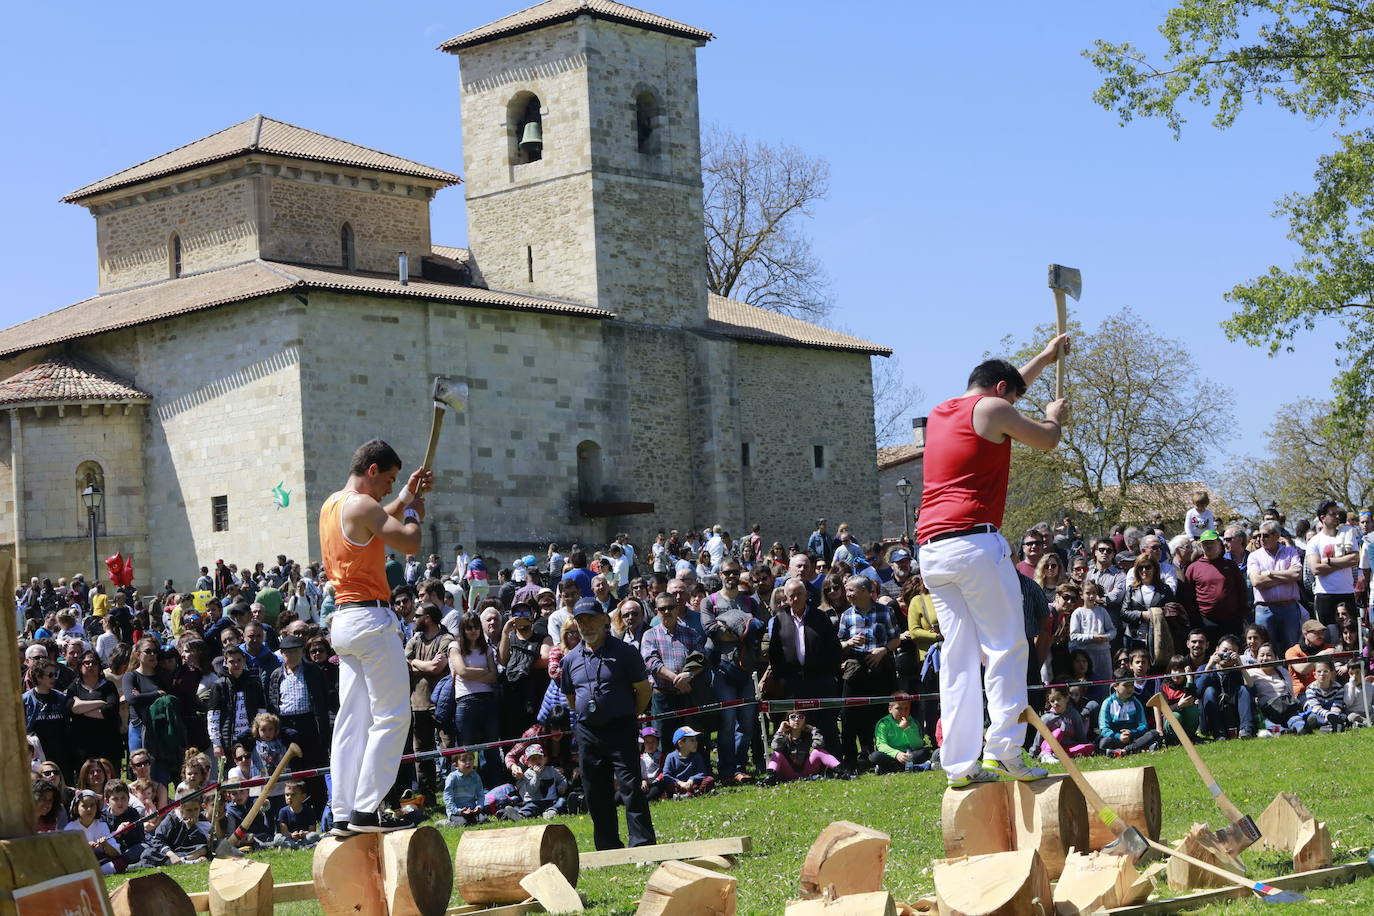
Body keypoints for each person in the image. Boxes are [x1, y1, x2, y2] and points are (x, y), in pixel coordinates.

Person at [917, 338, 1069, 787]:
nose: (1013, 409)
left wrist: (1044, 356)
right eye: (1013, 399)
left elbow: (1007, 391)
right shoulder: (992, 408)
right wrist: (1053, 418)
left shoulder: (945, 411)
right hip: (973, 544)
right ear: (999, 389)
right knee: (1007, 646)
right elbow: (1046, 441)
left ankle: (959, 765)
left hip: (933, 551)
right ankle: (1004, 750)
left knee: (960, 657)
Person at [319, 439, 430, 835]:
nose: (388, 487)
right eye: (389, 479)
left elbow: (376, 518)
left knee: (351, 721)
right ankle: (367, 810)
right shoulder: (362, 505)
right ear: (372, 470)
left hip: (345, 622)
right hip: (371, 619)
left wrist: (404, 496)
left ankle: (343, 812)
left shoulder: (333, 504)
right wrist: (415, 512)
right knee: (393, 716)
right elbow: (410, 542)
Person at [560, 598, 656, 849]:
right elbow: (572, 698)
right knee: (595, 791)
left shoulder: (625, 652)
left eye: (591, 618)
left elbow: (644, 690)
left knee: (631, 787)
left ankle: (642, 844)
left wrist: (628, 713)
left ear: (604, 620)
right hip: (588, 732)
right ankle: (607, 845)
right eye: (581, 621)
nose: (587, 625)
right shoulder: (570, 660)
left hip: (621, 727)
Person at [1248, 520, 1305, 654]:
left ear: (1277, 535)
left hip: (1289, 608)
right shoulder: (1254, 556)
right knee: (1265, 649)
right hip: (1265, 609)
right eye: (1259, 536)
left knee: (1292, 649)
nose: (1261, 539)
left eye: (1265, 535)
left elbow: (1297, 574)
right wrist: (1286, 576)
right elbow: (1256, 581)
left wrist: (1271, 574)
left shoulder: (1290, 552)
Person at [1307, 500, 1359, 630]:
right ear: (1323, 517)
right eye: (1333, 514)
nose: (1337, 516)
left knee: (1350, 633)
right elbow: (1315, 568)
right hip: (1325, 595)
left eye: (1338, 513)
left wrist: (1329, 561)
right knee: (1329, 634)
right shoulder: (1315, 541)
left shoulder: (1347, 535)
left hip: (1346, 592)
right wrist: (1344, 562)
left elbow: (1354, 559)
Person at [1096, 671, 1162, 757]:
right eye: (1126, 685)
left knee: (1154, 733)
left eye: (1131, 685)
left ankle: (1124, 751)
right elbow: (1104, 728)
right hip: (1116, 739)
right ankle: (1140, 749)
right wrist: (1119, 736)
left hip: (1134, 738)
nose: (1130, 689)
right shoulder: (1108, 703)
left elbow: (1143, 725)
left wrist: (1131, 733)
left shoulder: (1136, 702)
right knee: (1104, 742)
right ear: (1115, 686)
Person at [766, 710, 841, 783]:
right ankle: (771, 777)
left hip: (806, 770)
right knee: (777, 754)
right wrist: (780, 730)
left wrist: (814, 730)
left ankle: (841, 771)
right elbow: (775, 747)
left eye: (800, 717)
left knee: (819, 751)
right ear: (787, 721)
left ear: (804, 721)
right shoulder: (783, 737)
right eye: (793, 717)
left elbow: (819, 745)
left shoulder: (808, 736)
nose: (797, 719)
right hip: (788, 771)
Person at [870, 696, 931, 773]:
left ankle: (887, 769)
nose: (903, 712)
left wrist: (907, 729)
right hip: (891, 754)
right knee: (875, 757)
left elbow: (918, 745)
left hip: (909, 754)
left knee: (924, 752)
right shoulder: (884, 723)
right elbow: (881, 745)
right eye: (899, 708)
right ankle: (914, 767)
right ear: (890, 709)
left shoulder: (913, 722)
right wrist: (897, 754)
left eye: (906, 708)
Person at [662, 726, 715, 796]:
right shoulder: (671, 757)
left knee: (709, 779)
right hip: (679, 785)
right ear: (680, 743)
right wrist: (679, 782)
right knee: (668, 784)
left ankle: (687, 795)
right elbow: (666, 775)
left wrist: (692, 780)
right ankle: (695, 793)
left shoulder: (697, 756)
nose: (696, 743)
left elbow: (702, 773)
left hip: (692, 784)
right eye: (692, 740)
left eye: (696, 740)